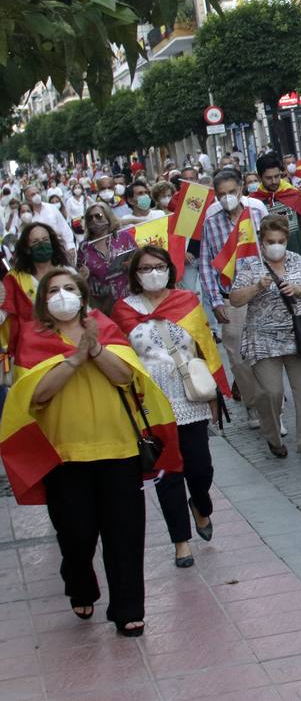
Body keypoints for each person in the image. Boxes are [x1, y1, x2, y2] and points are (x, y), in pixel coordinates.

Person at [0, 268, 180, 637]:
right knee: (76, 535)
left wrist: (94, 349)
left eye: (70, 289)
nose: (63, 295)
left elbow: (125, 377)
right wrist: (74, 360)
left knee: (125, 534)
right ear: (43, 301)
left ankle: (129, 608)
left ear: (83, 297)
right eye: (54, 290)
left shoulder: (105, 327)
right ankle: (80, 584)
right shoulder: (33, 338)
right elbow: (36, 395)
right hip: (63, 456)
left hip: (119, 450)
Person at [112, 246, 226, 569]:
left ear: (169, 269)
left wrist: (216, 394)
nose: (153, 273)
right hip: (150, 402)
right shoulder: (124, 310)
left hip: (189, 394)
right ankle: (180, 541)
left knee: (200, 467)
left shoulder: (187, 301)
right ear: (134, 274)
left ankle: (200, 505)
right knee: (168, 473)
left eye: (159, 266)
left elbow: (205, 347)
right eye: (145, 268)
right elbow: (119, 356)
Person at [229, 215, 301, 460]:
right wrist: (257, 287)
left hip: (297, 334)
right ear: (262, 241)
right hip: (262, 338)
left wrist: (299, 290)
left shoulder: (298, 261)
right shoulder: (250, 265)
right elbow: (235, 299)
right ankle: (272, 435)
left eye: (281, 240)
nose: (276, 245)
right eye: (271, 241)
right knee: (270, 392)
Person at [199, 169, 268, 429]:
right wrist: (215, 302)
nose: (227, 198)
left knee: (264, 355)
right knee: (238, 358)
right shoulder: (211, 221)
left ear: (241, 188)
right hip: (230, 299)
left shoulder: (257, 212)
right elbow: (207, 264)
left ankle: (273, 407)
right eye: (221, 194)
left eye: (232, 192)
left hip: (262, 292)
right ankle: (253, 403)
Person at [0, 221, 73, 351]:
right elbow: (2, 317)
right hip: (31, 349)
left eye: (45, 240)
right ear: (27, 249)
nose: (42, 244)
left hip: (68, 342)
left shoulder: (68, 272)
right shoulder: (14, 279)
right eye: (36, 242)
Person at [75, 202, 136, 314]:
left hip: (128, 297)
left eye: (98, 216)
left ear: (108, 218)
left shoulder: (124, 237)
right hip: (102, 303)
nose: (94, 220)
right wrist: (84, 275)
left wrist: (132, 264)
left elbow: (139, 261)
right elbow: (79, 274)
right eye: (90, 218)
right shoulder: (84, 246)